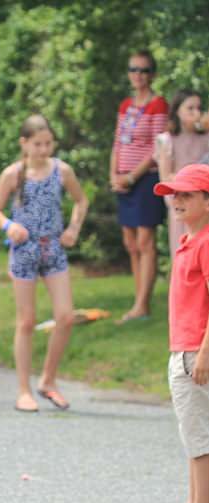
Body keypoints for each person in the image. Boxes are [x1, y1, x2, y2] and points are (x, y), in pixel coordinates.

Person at [0, 114, 88, 413]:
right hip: (24, 252)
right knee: (27, 321)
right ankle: (23, 390)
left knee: (66, 316)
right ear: (25, 144)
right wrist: (8, 226)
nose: (44, 149)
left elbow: (81, 201)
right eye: (38, 144)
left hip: (53, 249)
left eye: (48, 143)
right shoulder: (13, 174)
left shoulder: (62, 171)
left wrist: (73, 229)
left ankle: (48, 379)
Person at [148, 164, 209, 503]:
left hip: (195, 352)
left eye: (187, 194)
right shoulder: (189, 241)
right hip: (182, 350)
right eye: (175, 194)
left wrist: (204, 351)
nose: (177, 201)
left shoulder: (205, 243)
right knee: (193, 433)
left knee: (200, 435)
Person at [110, 50, 168, 323]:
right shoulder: (125, 105)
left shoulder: (158, 105)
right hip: (122, 179)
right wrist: (114, 174)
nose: (138, 75)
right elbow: (118, 143)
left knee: (146, 241)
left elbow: (157, 148)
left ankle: (143, 304)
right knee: (130, 243)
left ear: (152, 74)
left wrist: (132, 176)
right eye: (134, 69)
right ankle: (137, 300)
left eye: (144, 70)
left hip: (144, 180)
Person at [155, 90, 208, 256]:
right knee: (183, 255)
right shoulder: (167, 140)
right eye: (190, 108)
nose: (196, 113)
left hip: (204, 206)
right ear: (177, 111)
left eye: (199, 108)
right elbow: (166, 177)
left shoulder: (206, 137)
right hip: (181, 205)